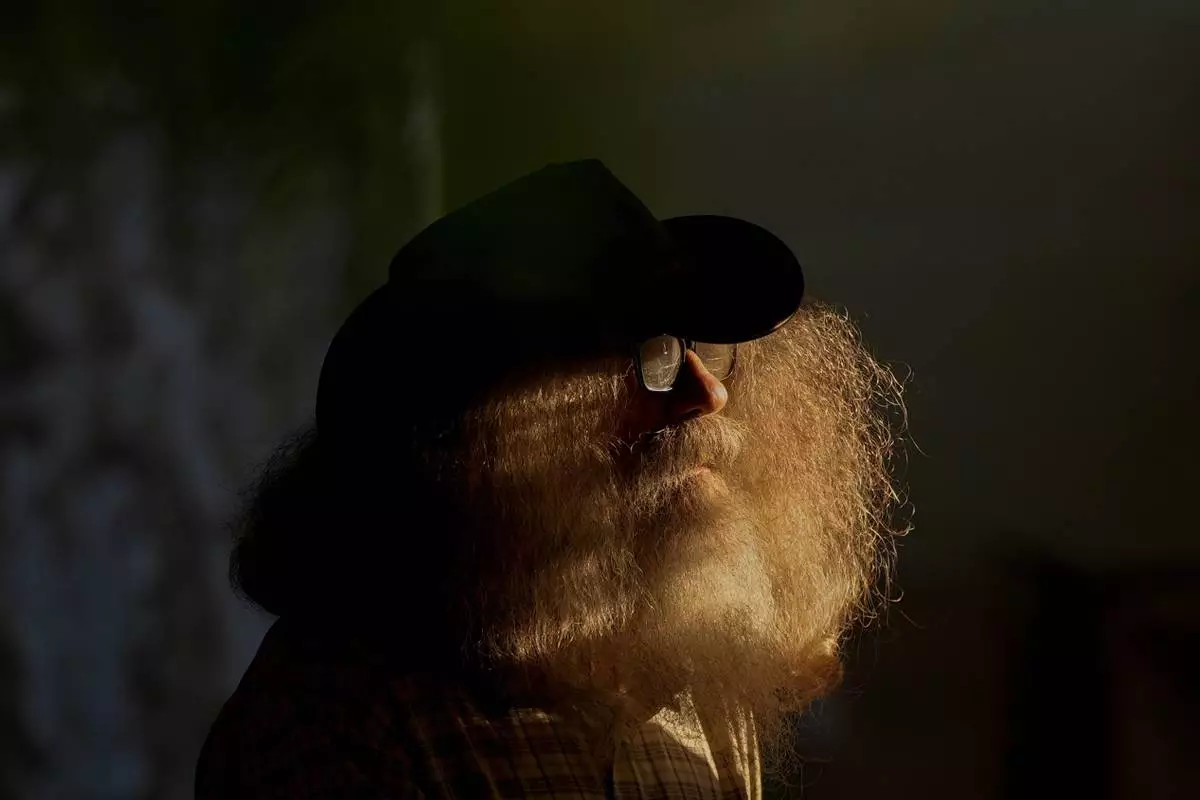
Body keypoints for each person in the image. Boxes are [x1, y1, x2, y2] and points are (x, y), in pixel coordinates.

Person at [194, 159, 908, 799]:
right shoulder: (339, 718)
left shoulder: (686, 680)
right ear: (485, 440)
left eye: (704, 349)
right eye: (648, 356)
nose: (707, 396)